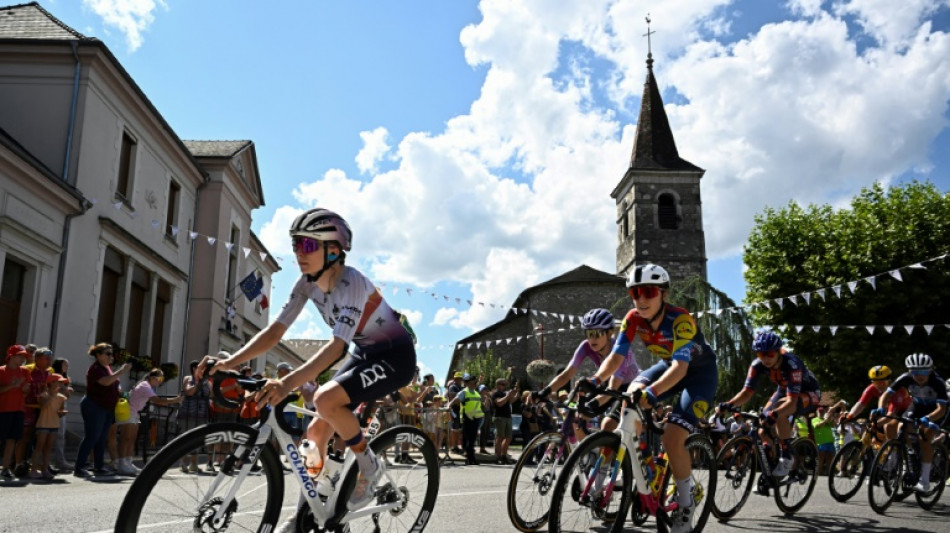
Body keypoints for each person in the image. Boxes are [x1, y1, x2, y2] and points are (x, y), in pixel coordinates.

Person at [201, 208, 417, 516]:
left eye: (308, 245)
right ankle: (307, 514)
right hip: (364, 354)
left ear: (334, 250)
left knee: (324, 399)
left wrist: (286, 383)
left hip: (395, 356)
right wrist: (229, 362)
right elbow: (275, 331)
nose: (299, 252)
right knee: (314, 437)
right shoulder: (306, 283)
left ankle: (370, 467)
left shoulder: (352, 282)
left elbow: (337, 347)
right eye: (296, 244)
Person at [589, 264, 718, 533]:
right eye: (635, 293)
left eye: (648, 291)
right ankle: (642, 464)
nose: (641, 299)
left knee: (672, 436)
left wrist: (653, 392)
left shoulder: (681, 320)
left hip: (699, 375)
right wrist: (595, 380)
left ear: (664, 294)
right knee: (629, 398)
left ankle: (686, 502)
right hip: (668, 367)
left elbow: (680, 368)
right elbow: (616, 356)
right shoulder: (633, 318)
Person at [719, 330, 820, 478]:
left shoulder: (792, 364)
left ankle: (787, 457)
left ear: (778, 352)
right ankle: (770, 473)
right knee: (762, 429)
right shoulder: (757, 365)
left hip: (809, 393)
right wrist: (728, 404)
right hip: (784, 391)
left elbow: (791, 403)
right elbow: (747, 392)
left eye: (770, 354)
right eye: (761, 354)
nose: (765, 359)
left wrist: (776, 414)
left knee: (778, 412)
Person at [538, 308, 639, 437]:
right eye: (589, 333)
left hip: (628, 388)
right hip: (607, 382)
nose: (592, 339)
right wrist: (544, 392)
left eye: (597, 333)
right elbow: (567, 373)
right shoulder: (586, 346)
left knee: (607, 425)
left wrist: (591, 404)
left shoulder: (620, 350)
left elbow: (613, 387)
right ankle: (588, 449)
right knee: (577, 419)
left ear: (609, 333)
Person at [875, 353, 947, 492]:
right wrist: (881, 408)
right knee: (899, 426)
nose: (919, 375)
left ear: (931, 370)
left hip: (937, 410)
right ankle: (907, 454)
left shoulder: (937, 382)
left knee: (924, 438)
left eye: (924, 372)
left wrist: (928, 419)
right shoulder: (905, 378)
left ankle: (924, 481)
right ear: (909, 371)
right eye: (915, 372)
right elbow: (886, 394)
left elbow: (941, 409)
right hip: (918, 406)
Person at [74, 343, 129, 478]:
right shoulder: (95, 369)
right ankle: (79, 467)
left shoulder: (107, 368)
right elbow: (105, 382)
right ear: (98, 355)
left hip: (106, 407)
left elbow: (112, 384)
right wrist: (121, 371)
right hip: (94, 406)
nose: (111, 356)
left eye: (111, 354)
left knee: (102, 438)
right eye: (107, 354)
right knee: (92, 436)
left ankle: (99, 466)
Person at [115, 368, 182, 476]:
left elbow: (156, 400)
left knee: (131, 439)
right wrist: (176, 399)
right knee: (126, 439)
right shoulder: (145, 385)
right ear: (152, 378)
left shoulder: (148, 386)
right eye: (159, 379)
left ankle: (128, 463)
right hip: (128, 411)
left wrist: (175, 400)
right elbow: (157, 401)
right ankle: (122, 464)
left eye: (162, 379)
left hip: (134, 412)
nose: (160, 381)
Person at [841, 365, 910, 441]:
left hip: (905, 411)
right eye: (876, 382)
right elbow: (861, 404)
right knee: (873, 418)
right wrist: (849, 416)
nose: (879, 386)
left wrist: (875, 424)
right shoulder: (872, 388)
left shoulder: (898, 390)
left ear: (889, 380)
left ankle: (895, 448)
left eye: (882, 383)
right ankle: (880, 443)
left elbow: (891, 414)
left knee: (888, 426)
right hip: (889, 410)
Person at [30, 373, 68, 479]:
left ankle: (45, 470)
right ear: (52, 383)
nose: (61, 384)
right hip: (43, 424)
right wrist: (51, 395)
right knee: (39, 447)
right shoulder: (44, 395)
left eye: (61, 382)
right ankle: (33, 470)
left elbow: (60, 412)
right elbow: (42, 406)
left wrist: (62, 413)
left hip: (54, 424)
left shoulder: (61, 397)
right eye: (59, 382)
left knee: (48, 448)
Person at [1, 345, 30, 478]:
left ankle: (6, 468)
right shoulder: (1, 371)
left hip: (18, 409)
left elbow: (26, 391)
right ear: (11, 356)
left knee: (12, 439)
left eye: (24, 357)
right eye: (20, 356)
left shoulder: (25, 372)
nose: (23, 359)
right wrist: (13, 385)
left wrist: (25, 389)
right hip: (3, 409)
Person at [177, 360, 212, 473]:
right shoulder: (188, 379)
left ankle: (193, 464)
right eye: (200, 368)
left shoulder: (207, 382)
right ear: (194, 369)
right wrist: (198, 382)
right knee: (185, 438)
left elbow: (211, 394)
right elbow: (189, 392)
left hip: (201, 414)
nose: (203, 370)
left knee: (197, 439)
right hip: (188, 413)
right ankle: (183, 463)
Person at [448, 373, 484, 465]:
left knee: (472, 439)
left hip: (476, 418)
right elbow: (455, 400)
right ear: (467, 383)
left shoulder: (475, 392)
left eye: (474, 383)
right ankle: (470, 458)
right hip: (467, 418)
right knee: (469, 439)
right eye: (472, 383)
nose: (474, 384)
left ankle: (470, 457)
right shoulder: (464, 392)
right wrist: (449, 406)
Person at [50, 358, 74, 472]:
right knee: (50, 435)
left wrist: (68, 392)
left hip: (62, 407)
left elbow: (67, 396)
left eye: (67, 365)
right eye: (64, 365)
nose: (66, 367)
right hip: (52, 407)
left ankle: (59, 460)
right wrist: (63, 390)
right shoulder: (53, 376)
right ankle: (48, 461)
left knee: (60, 435)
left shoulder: (66, 378)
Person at [491, 377, 519, 464]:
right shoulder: (495, 393)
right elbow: (499, 403)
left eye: (506, 384)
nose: (505, 386)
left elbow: (511, 401)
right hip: (499, 417)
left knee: (508, 437)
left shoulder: (504, 393)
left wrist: (517, 392)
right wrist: (507, 395)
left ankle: (503, 455)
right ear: (498, 385)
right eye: (503, 384)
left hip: (508, 417)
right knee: (500, 437)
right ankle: (497, 456)